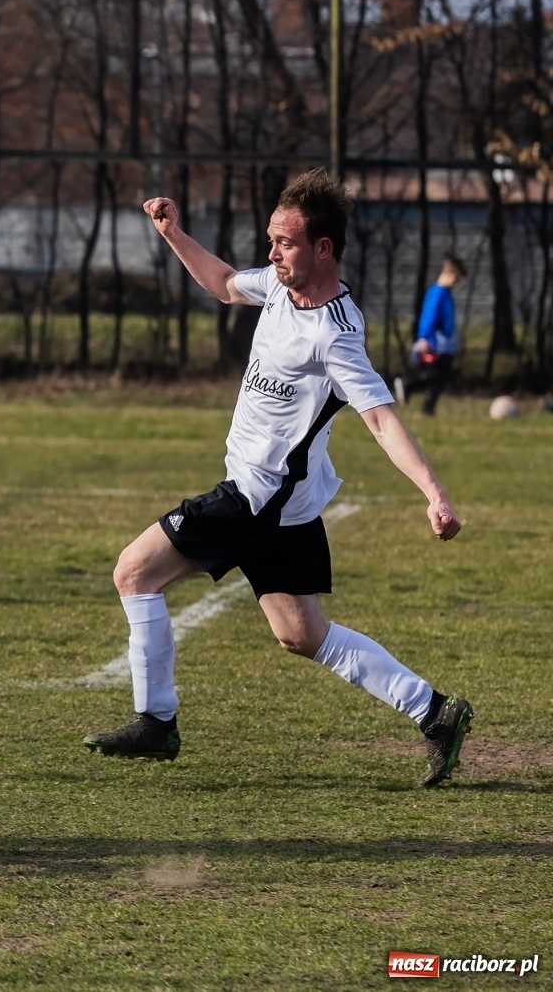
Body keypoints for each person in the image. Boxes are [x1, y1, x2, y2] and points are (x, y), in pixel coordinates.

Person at [84, 169, 473, 788]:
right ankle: (435, 712)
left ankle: (156, 721)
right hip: (289, 507)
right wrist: (173, 233)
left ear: (323, 248)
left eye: (285, 243)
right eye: (271, 240)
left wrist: (435, 494)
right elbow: (222, 283)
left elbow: (380, 420)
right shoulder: (277, 287)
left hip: (255, 499)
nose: (272, 253)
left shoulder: (335, 336)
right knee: (302, 634)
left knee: (133, 572)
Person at [395, 255, 462, 416]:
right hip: (436, 343)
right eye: (457, 278)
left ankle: (428, 409)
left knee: (440, 377)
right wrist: (424, 337)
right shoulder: (437, 293)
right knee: (434, 375)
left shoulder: (446, 294)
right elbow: (429, 316)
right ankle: (407, 384)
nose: (457, 282)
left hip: (446, 344)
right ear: (449, 274)